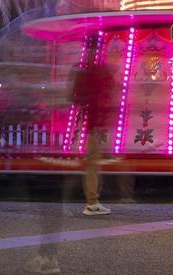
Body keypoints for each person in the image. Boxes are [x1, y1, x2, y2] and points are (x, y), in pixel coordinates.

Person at [71, 36, 116, 216]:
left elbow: (75, 95)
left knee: (94, 163)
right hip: (93, 123)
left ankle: (94, 200)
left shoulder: (85, 70)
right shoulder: (94, 71)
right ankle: (92, 202)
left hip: (92, 121)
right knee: (92, 164)